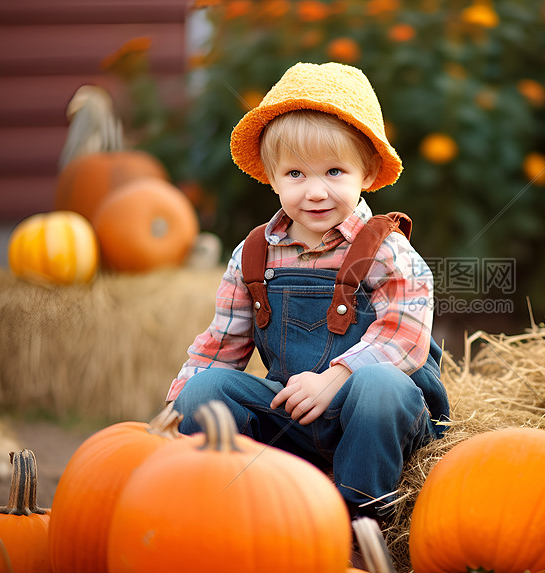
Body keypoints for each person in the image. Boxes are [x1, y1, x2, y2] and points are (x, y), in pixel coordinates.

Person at [167, 62, 449, 527]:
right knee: (206, 392)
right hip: (293, 416)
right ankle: (235, 518)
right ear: (271, 177)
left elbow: (404, 336)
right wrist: (173, 409)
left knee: (378, 386)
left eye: (334, 171)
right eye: (295, 174)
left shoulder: (386, 249)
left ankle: (357, 528)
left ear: (368, 171)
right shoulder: (253, 254)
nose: (315, 192)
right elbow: (222, 346)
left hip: (382, 421)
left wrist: (335, 379)